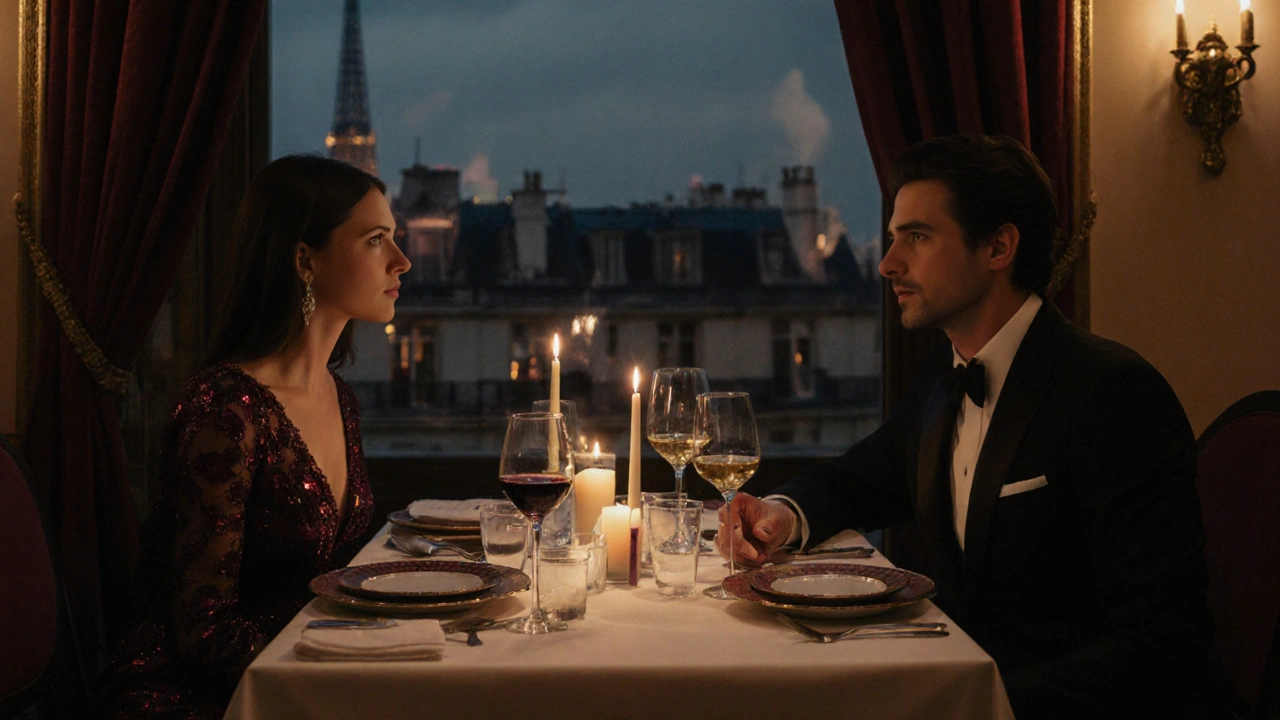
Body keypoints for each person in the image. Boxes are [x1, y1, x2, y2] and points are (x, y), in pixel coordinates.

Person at [720, 135, 1220, 718]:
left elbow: (1163, 642)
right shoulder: (947, 379)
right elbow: (854, 480)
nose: (888, 265)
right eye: (892, 240)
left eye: (918, 238)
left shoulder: (1112, 394)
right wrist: (780, 515)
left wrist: (971, 703)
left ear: (999, 246)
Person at [96, 155, 411, 717]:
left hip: (295, 675)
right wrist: (345, 678)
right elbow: (203, 632)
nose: (402, 262)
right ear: (304, 261)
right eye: (375, 240)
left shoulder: (340, 399)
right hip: (199, 695)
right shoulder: (225, 411)